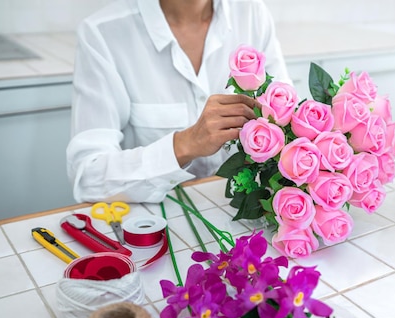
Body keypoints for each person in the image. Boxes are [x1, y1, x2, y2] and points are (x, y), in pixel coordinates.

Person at [66, 0, 289, 203]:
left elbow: (286, 120)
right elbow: (88, 177)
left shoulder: (253, 15)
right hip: (154, 222)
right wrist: (185, 144)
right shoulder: (103, 33)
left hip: (242, 216)